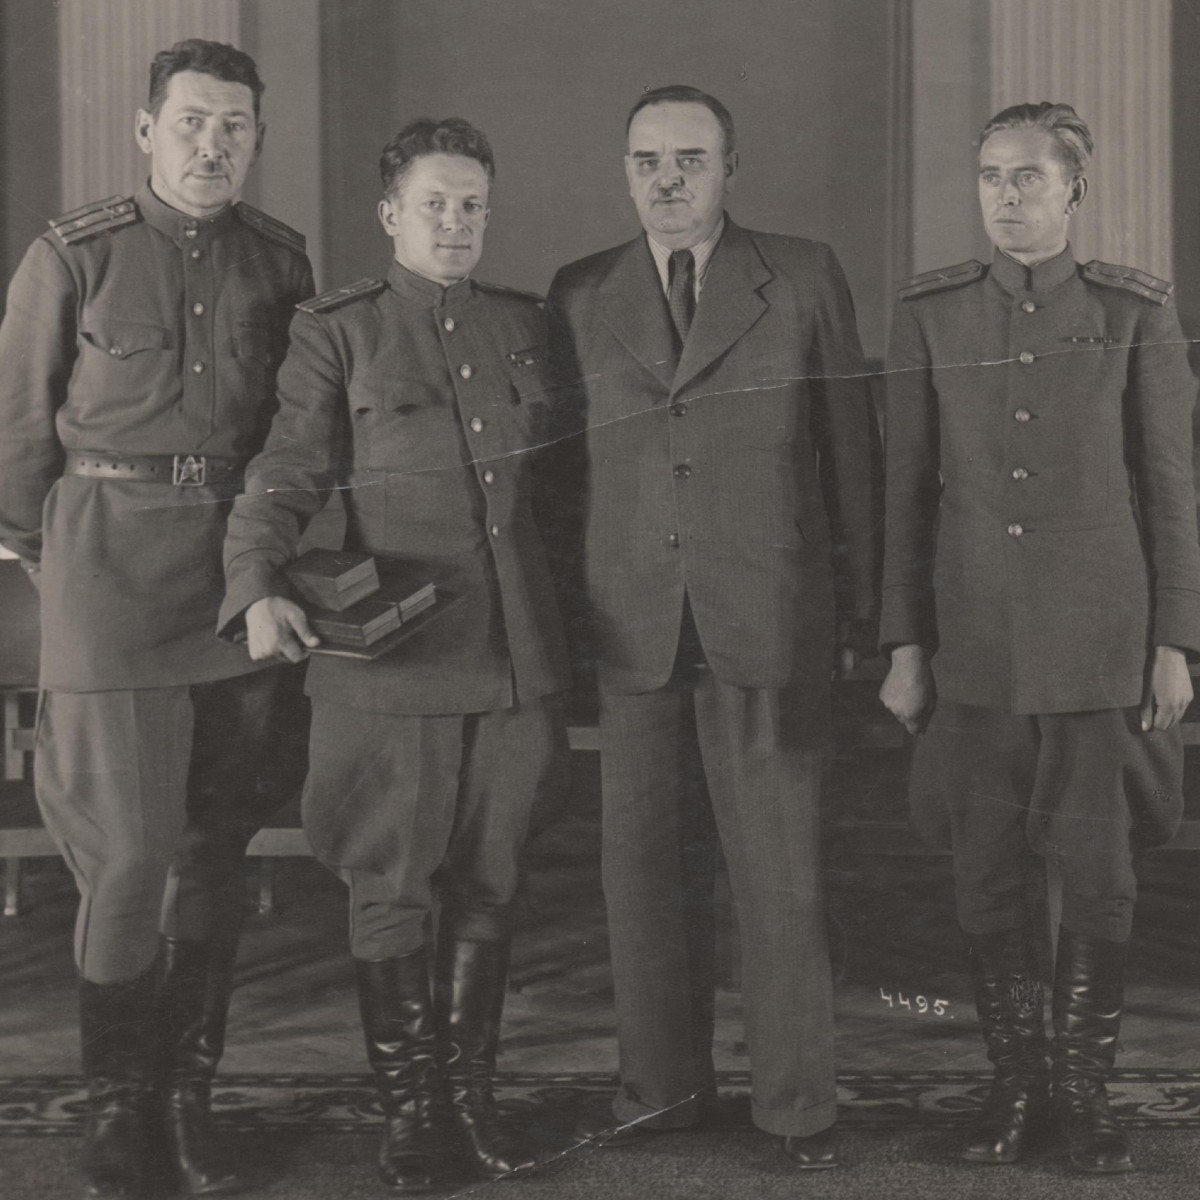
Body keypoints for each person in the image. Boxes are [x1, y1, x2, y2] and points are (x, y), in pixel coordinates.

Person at [219, 117, 569, 1192]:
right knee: (394, 885)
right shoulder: (343, 332)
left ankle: (469, 1101)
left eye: (472, 205)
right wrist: (256, 582)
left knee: (494, 883)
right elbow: (286, 468)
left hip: (516, 658)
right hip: (399, 665)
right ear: (390, 217)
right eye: (435, 205)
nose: (456, 224)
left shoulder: (524, 324)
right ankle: (413, 1116)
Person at [0, 38, 313, 1200]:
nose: (211, 143)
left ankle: (189, 1099)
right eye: (190, 121)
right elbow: (19, 442)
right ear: (145, 130)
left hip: (232, 576)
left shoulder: (279, 260)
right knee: (129, 856)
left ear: (254, 139)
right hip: (105, 574)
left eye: (234, 125)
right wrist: (61, 571)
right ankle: (115, 1112)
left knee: (211, 851)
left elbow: (292, 428)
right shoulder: (69, 255)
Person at [544, 85, 879, 1169]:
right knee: (640, 876)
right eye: (647, 160)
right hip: (630, 623)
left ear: (734, 166)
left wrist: (866, 622)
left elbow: (853, 465)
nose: (668, 179)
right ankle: (661, 1094)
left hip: (768, 619)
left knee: (778, 878)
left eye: (691, 158)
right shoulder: (581, 289)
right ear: (624, 169)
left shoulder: (803, 274)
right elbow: (561, 482)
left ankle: (797, 1109)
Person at [879, 102, 1200, 1176]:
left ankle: (1084, 1102)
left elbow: (1171, 492)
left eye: (1028, 177)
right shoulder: (932, 316)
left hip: (1100, 643)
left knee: (1098, 878)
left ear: (1076, 192)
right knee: (988, 879)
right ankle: (1013, 1093)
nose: (1006, 195)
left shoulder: (1131, 315)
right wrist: (903, 642)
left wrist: (1176, 642)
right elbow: (904, 500)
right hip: (972, 644)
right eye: (989, 175)